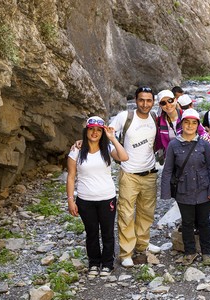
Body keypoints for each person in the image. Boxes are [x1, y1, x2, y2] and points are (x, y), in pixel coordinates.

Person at [66, 116, 129, 278]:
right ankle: (94, 262)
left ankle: (107, 263)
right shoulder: (77, 150)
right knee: (92, 232)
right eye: (91, 129)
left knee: (107, 232)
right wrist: (70, 200)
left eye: (98, 130)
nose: (95, 133)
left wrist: (112, 138)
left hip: (107, 198)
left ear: (102, 132)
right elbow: (71, 177)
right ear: (86, 130)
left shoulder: (107, 149)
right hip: (85, 200)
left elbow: (124, 157)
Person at [109, 86, 160, 268]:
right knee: (126, 214)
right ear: (135, 101)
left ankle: (142, 244)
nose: (145, 104)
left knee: (146, 213)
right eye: (141, 100)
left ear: (153, 101)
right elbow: (108, 135)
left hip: (149, 174)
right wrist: (114, 153)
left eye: (148, 100)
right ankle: (126, 252)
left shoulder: (155, 118)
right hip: (129, 174)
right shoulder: (125, 117)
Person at [161, 109, 210, 266]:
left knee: (204, 222)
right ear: (182, 124)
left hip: (203, 190)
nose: (190, 126)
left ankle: (206, 252)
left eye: (194, 123)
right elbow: (168, 170)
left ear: (198, 125)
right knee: (187, 223)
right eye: (187, 122)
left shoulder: (204, 144)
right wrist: (165, 193)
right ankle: (190, 252)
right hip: (183, 190)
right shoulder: (173, 145)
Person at [156, 90, 209, 155]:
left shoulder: (186, 115)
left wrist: (204, 140)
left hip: (190, 155)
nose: (168, 105)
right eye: (163, 103)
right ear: (160, 105)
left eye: (170, 101)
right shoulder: (159, 121)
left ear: (175, 100)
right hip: (171, 157)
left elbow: (203, 132)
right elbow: (158, 141)